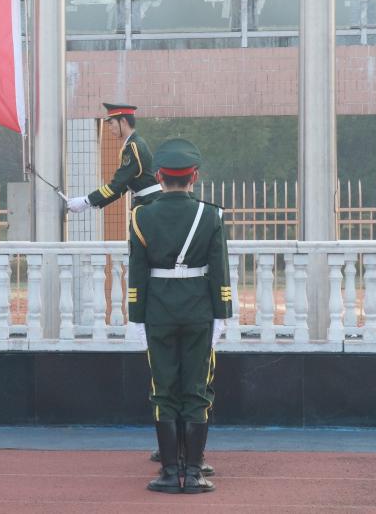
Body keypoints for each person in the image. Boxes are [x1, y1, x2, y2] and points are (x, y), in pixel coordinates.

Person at [126, 138, 232, 495]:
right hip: (199, 311)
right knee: (196, 389)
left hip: (159, 312)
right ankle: (195, 470)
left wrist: (136, 317)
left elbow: (137, 273)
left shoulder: (142, 216)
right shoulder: (211, 215)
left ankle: (171, 472)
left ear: (159, 176)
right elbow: (219, 271)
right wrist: (222, 315)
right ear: (194, 177)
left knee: (164, 389)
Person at [66, 103, 160, 214]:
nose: (110, 128)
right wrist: (93, 202)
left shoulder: (132, 146)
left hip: (149, 203)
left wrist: (87, 201)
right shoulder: (135, 143)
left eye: (111, 123)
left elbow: (117, 185)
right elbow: (122, 187)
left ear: (123, 121)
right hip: (149, 202)